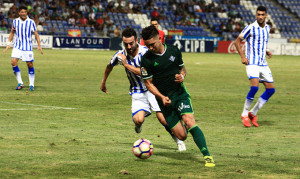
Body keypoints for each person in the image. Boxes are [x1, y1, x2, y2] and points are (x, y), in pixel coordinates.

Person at [140, 25, 215, 167]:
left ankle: (207, 156)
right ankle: (183, 124)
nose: (150, 48)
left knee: (189, 120)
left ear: (159, 39)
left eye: (152, 44)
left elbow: (183, 69)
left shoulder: (174, 51)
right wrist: (161, 97)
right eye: (147, 45)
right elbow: (148, 84)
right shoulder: (146, 60)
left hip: (179, 94)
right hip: (164, 101)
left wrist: (182, 76)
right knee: (182, 136)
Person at [100, 28, 186, 151]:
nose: (129, 46)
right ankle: (138, 125)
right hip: (137, 92)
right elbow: (109, 66)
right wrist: (103, 82)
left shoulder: (146, 53)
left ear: (136, 41)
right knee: (138, 120)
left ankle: (178, 140)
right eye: (126, 44)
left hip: (153, 89)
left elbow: (143, 72)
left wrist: (126, 64)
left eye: (131, 43)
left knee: (163, 118)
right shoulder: (120, 55)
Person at [234, 6, 275, 128]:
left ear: (266, 15)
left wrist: (266, 50)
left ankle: (253, 112)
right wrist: (242, 57)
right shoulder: (250, 27)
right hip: (252, 63)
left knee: (271, 90)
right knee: (255, 88)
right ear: (256, 15)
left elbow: (262, 42)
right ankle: (244, 114)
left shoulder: (267, 28)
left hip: (263, 63)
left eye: (262, 14)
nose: (260, 17)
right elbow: (237, 41)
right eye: (258, 14)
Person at [3, 6, 43, 91]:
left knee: (29, 64)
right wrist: (8, 44)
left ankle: (31, 84)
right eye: (22, 12)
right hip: (17, 46)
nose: (23, 13)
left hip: (27, 47)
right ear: (19, 13)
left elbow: (36, 34)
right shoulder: (15, 21)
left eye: (25, 12)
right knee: (13, 62)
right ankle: (20, 83)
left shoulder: (31, 22)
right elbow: (12, 33)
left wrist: (39, 45)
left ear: (26, 13)